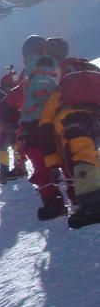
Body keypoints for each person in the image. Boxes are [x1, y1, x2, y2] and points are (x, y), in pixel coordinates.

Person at [37, 41, 100, 228]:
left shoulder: (53, 78)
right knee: (91, 153)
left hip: (74, 120)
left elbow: (45, 125)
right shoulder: (84, 66)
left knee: (78, 154)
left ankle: (92, 205)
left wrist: (53, 163)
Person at [6, 35, 69, 220]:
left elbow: (17, 99)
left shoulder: (29, 73)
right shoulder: (57, 65)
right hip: (61, 121)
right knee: (67, 159)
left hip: (35, 127)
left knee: (41, 167)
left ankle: (53, 203)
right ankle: (80, 196)